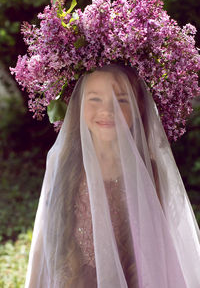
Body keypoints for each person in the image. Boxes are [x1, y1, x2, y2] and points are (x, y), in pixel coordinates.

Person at [25, 64, 200, 288]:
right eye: (95, 99)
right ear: (78, 105)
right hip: (74, 278)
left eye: (122, 100)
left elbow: (161, 243)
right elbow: (44, 234)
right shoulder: (64, 163)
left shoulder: (147, 171)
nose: (108, 110)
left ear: (139, 108)